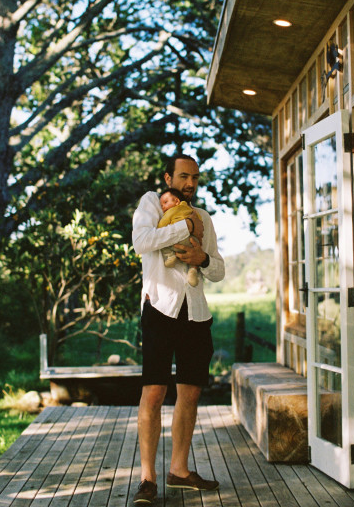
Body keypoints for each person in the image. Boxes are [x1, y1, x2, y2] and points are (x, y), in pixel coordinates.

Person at [132, 153, 225, 505]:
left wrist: (202, 259)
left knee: (190, 393)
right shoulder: (152, 203)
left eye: (195, 178)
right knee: (154, 393)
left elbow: (218, 270)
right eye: (184, 176)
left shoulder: (204, 218)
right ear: (168, 177)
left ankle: (179, 471)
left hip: (196, 315)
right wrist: (184, 227)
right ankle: (147, 479)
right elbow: (142, 242)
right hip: (159, 308)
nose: (190, 183)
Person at [158, 187, 202, 287]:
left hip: (177, 241)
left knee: (163, 242)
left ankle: (171, 256)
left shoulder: (170, 212)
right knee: (195, 257)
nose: (163, 207)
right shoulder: (191, 210)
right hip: (192, 240)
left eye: (165, 202)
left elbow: (161, 227)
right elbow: (199, 222)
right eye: (161, 205)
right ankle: (193, 270)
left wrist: (158, 227)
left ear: (177, 201)